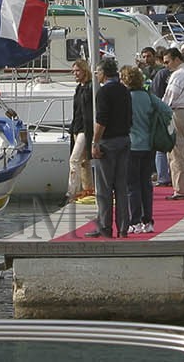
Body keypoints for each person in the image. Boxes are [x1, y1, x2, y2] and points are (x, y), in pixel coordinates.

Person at [84, 59, 132, 239]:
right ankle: (123, 227)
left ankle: (104, 226)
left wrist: (95, 142)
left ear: (103, 73)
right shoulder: (124, 90)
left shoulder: (104, 92)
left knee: (104, 188)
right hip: (124, 139)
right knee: (121, 187)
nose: (96, 75)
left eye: (97, 72)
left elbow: (101, 120)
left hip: (108, 142)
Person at [122, 65, 165, 235]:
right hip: (148, 144)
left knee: (132, 185)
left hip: (132, 145)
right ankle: (148, 221)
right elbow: (165, 110)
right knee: (146, 184)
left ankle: (135, 221)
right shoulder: (148, 96)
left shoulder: (126, 98)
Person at [160, 48, 184, 200]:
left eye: (167, 62)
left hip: (177, 113)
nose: (166, 65)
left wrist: (161, 109)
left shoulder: (178, 74)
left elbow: (170, 96)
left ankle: (180, 190)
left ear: (176, 59)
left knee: (176, 153)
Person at [66, 59, 95, 202]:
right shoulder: (79, 88)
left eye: (77, 70)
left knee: (74, 159)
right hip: (77, 127)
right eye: (74, 71)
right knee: (84, 161)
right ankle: (87, 188)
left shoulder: (90, 88)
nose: (75, 73)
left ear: (84, 70)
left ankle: (71, 192)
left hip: (85, 128)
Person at [150, 49, 173, 190]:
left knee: (160, 149)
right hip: (178, 113)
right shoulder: (183, 73)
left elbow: (156, 94)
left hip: (164, 115)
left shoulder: (162, 74)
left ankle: (163, 176)